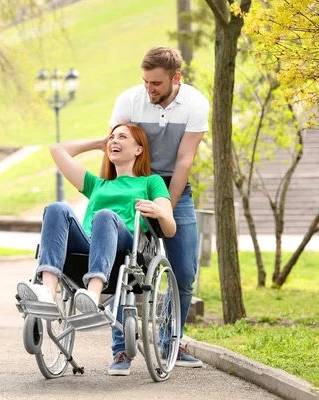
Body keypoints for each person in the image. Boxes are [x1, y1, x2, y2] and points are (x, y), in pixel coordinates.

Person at [105, 46, 210, 375]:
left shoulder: (195, 103)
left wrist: (166, 207)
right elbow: (115, 149)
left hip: (174, 188)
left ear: (176, 78)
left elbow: (184, 161)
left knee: (184, 270)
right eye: (146, 82)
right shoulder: (129, 101)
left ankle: (172, 342)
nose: (149, 89)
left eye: (156, 84)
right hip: (134, 185)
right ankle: (122, 351)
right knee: (124, 265)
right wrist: (111, 192)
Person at [17, 123, 176, 329]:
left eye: (122, 137)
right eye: (112, 137)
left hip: (125, 248)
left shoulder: (150, 182)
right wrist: (100, 143)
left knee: (104, 215)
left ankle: (93, 294)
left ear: (139, 149)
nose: (114, 141)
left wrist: (159, 211)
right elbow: (57, 150)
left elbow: (170, 228)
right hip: (88, 246)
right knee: (56, 208)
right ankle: (48, 291)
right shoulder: (97, 185)